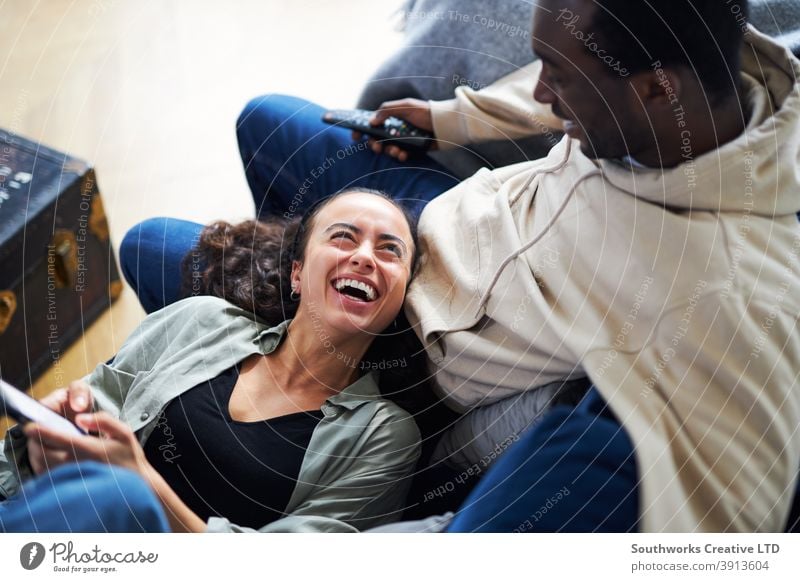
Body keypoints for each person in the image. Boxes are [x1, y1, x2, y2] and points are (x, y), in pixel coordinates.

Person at [0, 189, 422, 533]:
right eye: (343, 237)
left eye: (390, 251)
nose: (365, 256)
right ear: (297, 273)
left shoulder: (385, 437)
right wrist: (51, 436)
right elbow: (93, 410)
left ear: (401, 294)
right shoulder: (200, 320)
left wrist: (139, 483)